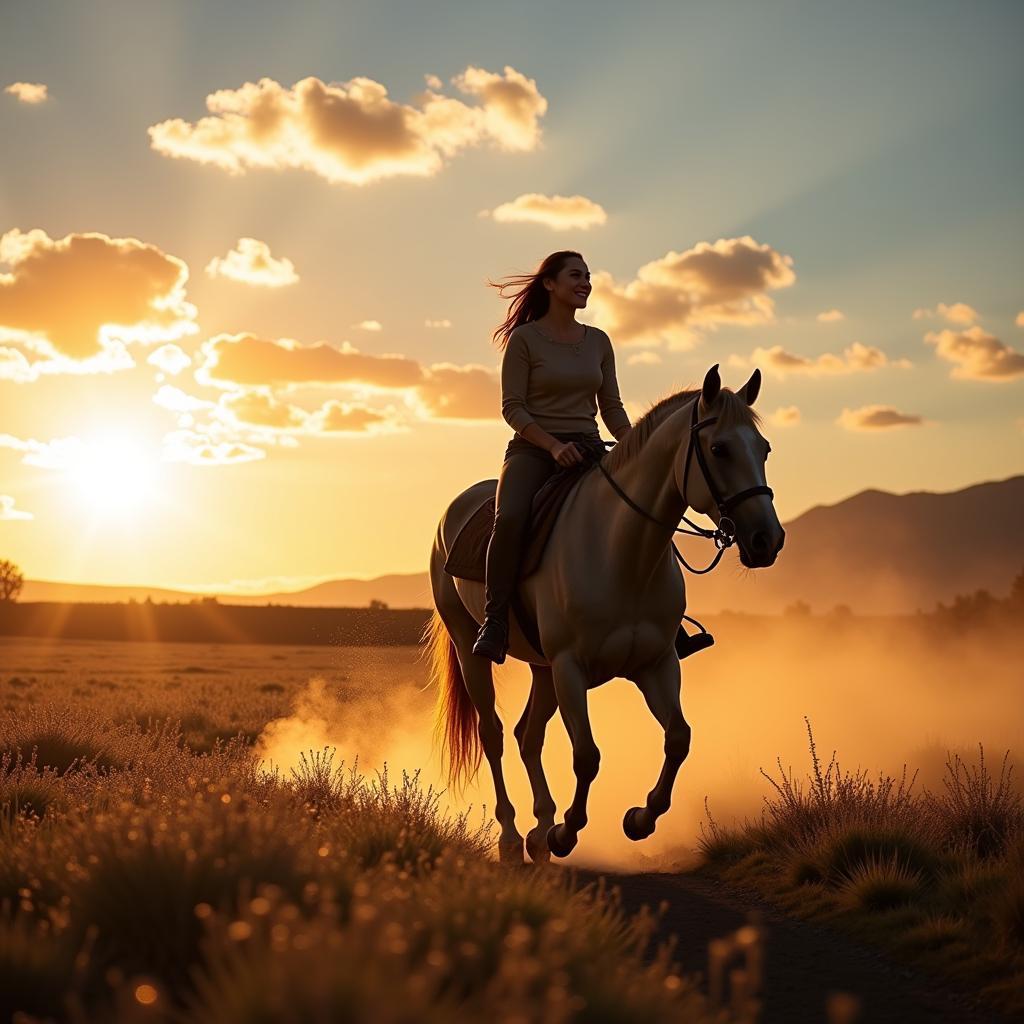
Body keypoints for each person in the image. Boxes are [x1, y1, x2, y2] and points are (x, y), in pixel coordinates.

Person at [471, 250, 710, 664]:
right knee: (508, 518)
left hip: (589, 446)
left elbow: (611, 406)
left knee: (644, 510)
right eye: (575, 275)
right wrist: (552, 446)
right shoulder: (525, 339)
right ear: (550, 284)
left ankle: (668, 624)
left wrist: (639, 450)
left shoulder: (598, 340)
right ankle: (494, 622)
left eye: (588, 276)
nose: (585, 283)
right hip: (533, 450)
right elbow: (513, 408)